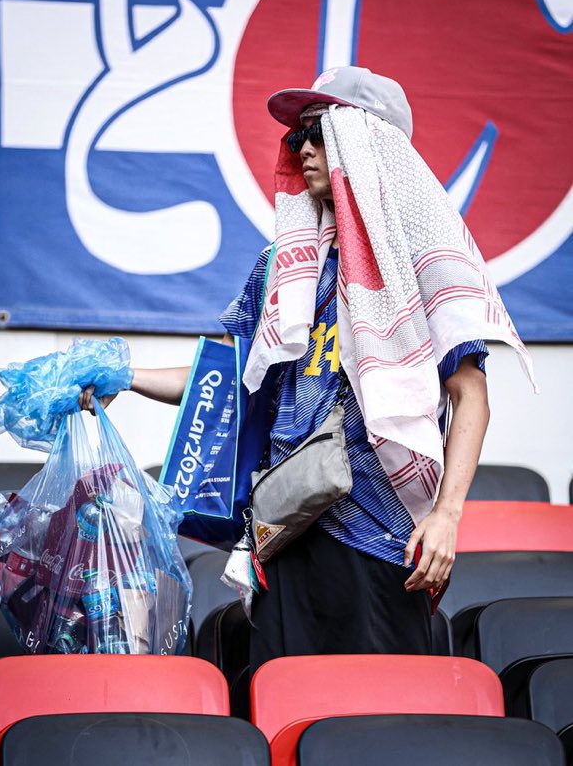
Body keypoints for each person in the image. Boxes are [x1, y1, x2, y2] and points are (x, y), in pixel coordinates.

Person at [80, 66, 535, 673]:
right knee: (287, 705)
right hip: (285, 527)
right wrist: (125, 375)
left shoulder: (422, 264)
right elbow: (228, 380)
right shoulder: (283, 265)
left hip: (383, 534)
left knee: (382, 717)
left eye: (319, 134)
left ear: (367, 148)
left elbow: (470, 393)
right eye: (299, 138)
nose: (303, 150)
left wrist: (448, 514)